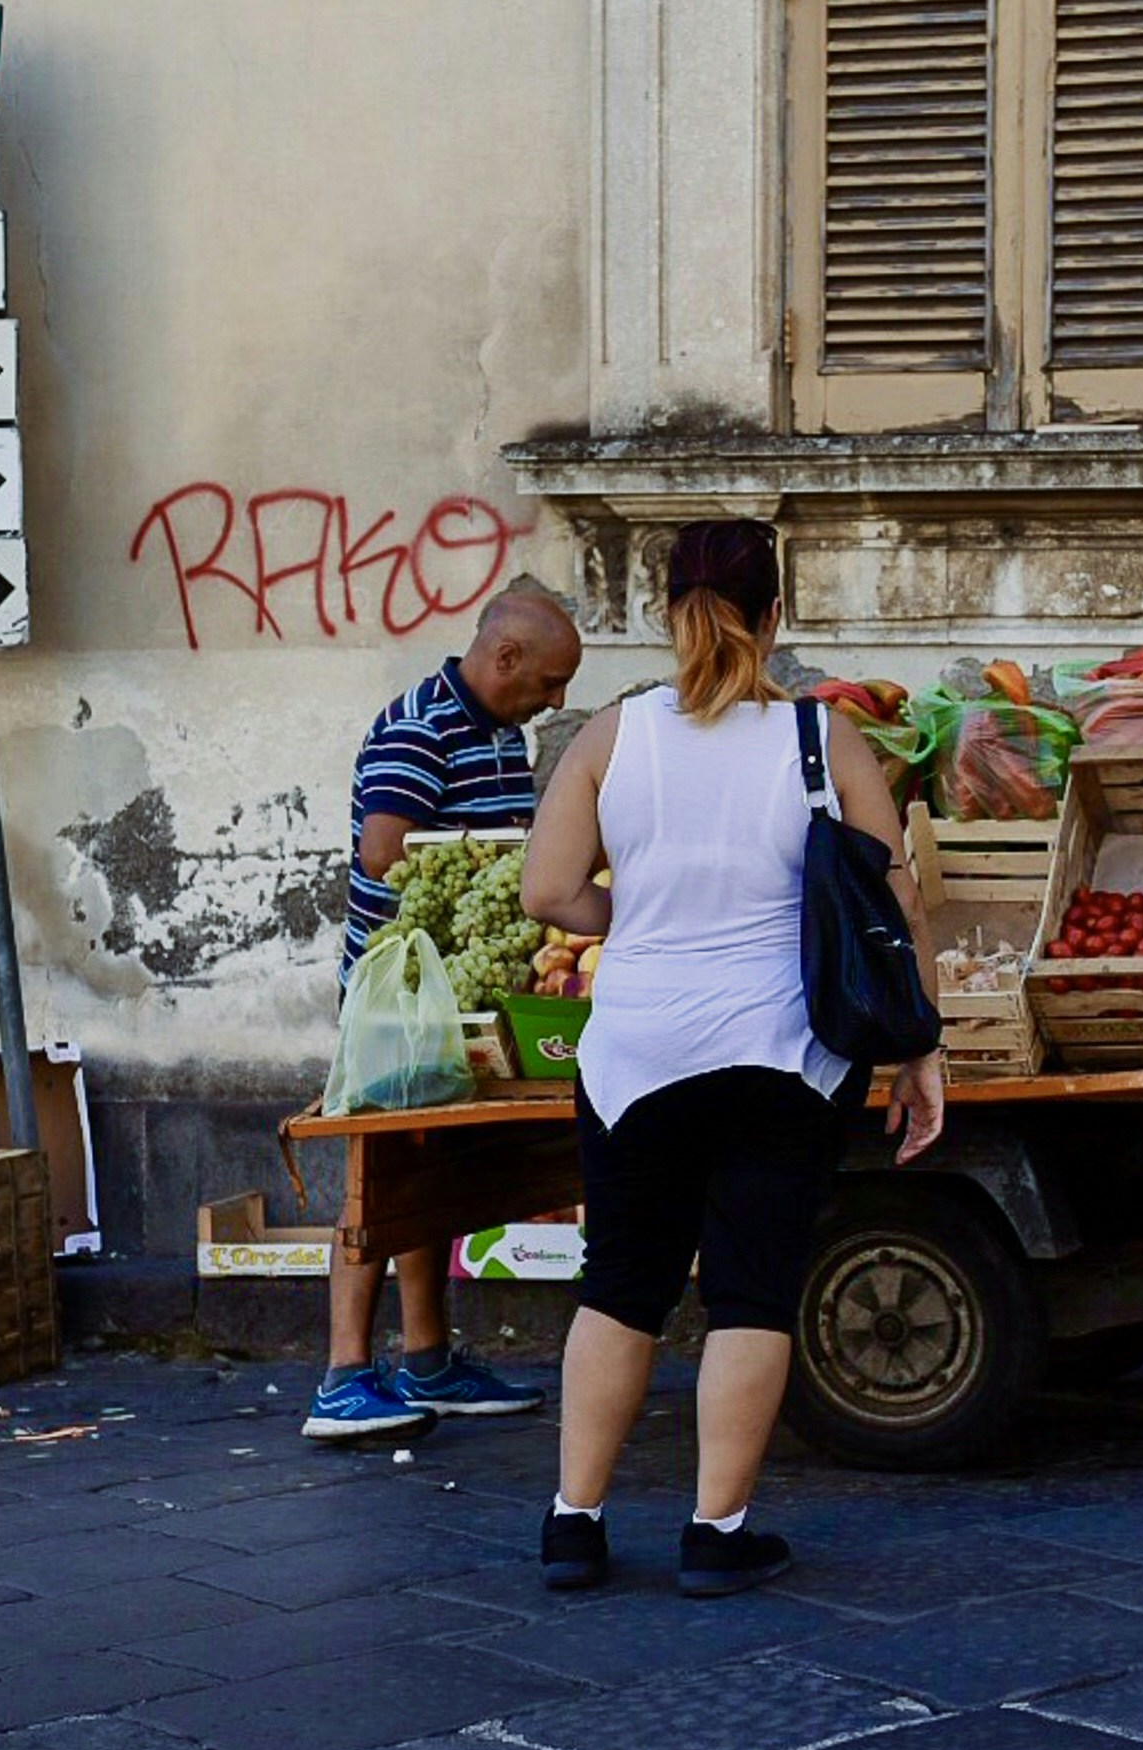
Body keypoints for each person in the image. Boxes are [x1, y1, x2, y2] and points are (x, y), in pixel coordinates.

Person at [519, 519, 943, 1595]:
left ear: (665, 614)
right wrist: (920, 1053)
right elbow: (894, 901)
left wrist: (637, 905)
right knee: (751, 1291)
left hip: (635, 1051)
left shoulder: (611, 737)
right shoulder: (822, 738)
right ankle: (716, 1531)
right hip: (778, 1052)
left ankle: (574, 1521)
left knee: (620, 1285)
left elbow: (546, 892)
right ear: (775, 616)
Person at [306, 585, 587, 1443]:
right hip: (396, 997)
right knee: (379, 1172)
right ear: (503, 660)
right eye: (548, 680)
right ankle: (343, 1376)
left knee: (427, 1175)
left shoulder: (499, 731)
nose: (557, 701)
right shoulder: (417, 730)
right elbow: (388, 853)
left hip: (450, 998)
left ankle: (429, 1358)